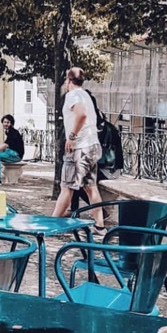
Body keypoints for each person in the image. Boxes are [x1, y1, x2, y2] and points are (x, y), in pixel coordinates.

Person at [52, 67, 104, 229]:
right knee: (90, 187)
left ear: (68, 81)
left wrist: (72, 136)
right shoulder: (86, 95)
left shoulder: (72, 95)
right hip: (92, 145)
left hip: (79, 147)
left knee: (67, 187)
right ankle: (100, 225)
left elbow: (81, 114)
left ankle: (50, 224)